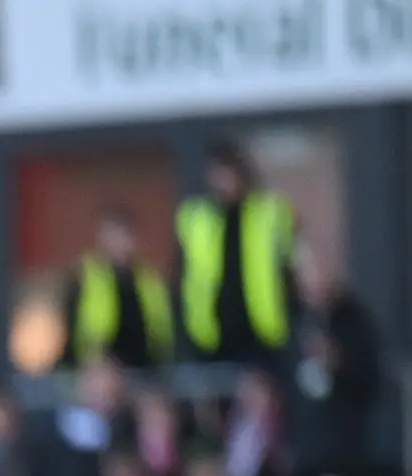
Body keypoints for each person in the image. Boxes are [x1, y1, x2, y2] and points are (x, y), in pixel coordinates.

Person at [177, 140, 295, 369]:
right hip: (209, 333)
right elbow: (183, 274)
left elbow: (290, 265)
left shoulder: (269, 213)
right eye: (218, 174)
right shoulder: (195, 218)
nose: (225, 182)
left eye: (229, 174)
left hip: (262, 332)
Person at [59, 210, 175, 372]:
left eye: (124, 236)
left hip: (145, 364)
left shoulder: (148, 280)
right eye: (113, 236)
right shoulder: (88, 275)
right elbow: (73, 321)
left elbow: (160, 324)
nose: (120, 243)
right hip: (98, 365)